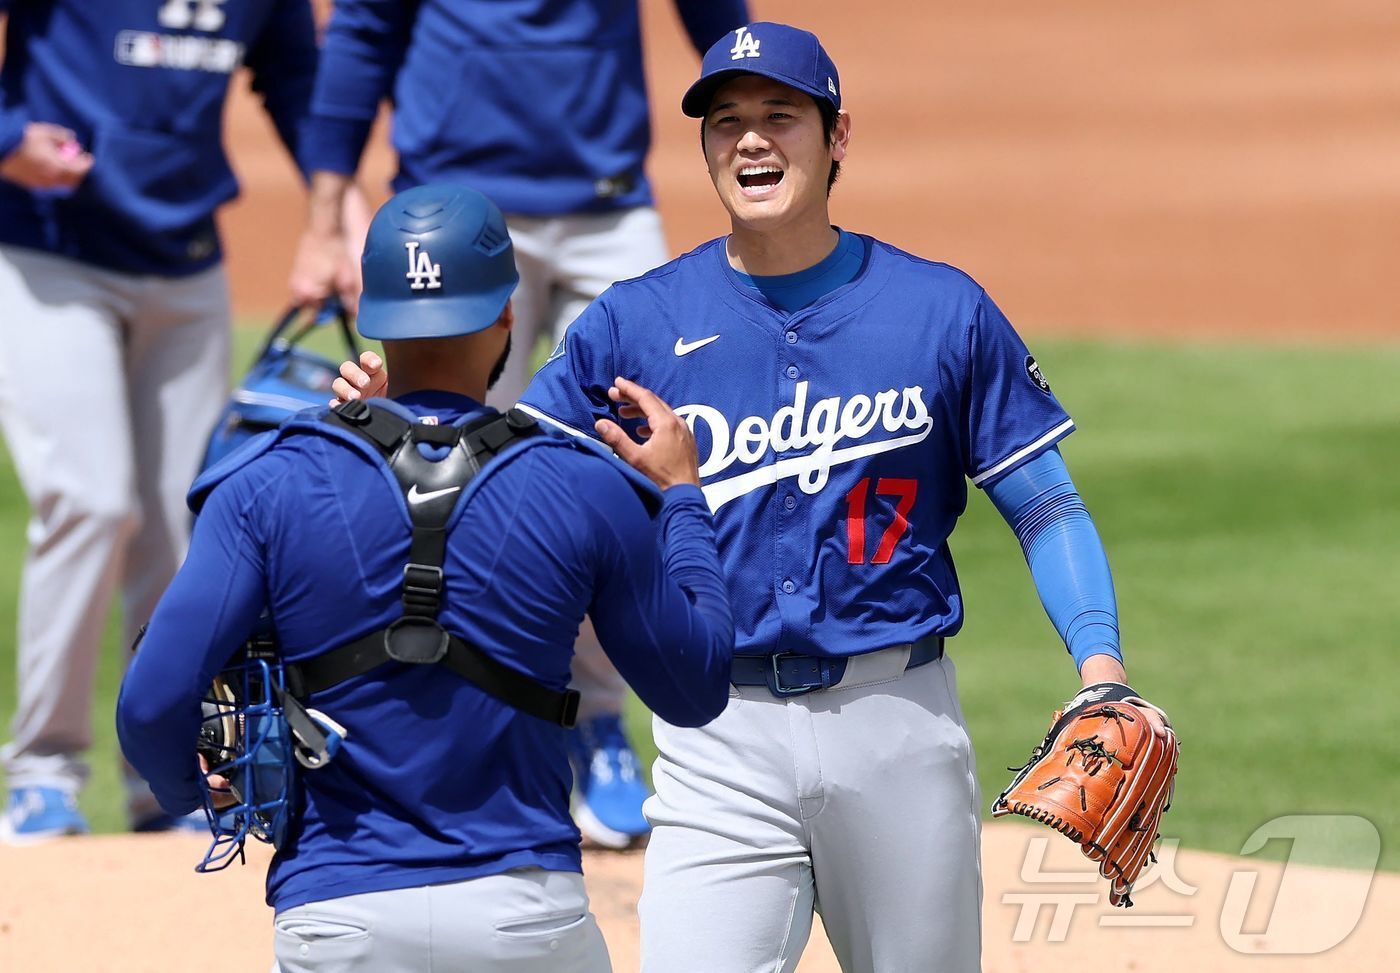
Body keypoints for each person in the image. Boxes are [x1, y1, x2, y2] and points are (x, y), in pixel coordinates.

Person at [337, 22, 1174, 972]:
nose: (750, 140)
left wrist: (1099, 665)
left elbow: (1046, 505)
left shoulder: (942, 310)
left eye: (780, 116)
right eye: (726, 121)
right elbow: (504, 485)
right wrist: (399, 419)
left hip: (897, 722)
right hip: (714, 734)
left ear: (837, 138)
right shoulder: (636, 320)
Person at [117, 183, 734, 972]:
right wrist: (682, 497)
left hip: (337, 920)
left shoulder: (269, 483)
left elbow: (148, 704)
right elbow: (695, 687)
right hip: (523, 917)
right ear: (508, 314)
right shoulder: (585, 485)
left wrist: (193, 796)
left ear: (374, 318)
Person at [289, 0, 750, 848]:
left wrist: (755, 132)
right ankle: (480, 724)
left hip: (606, 207)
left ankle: (601, 722)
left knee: (626, 460)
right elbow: (362, 31)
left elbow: (720, 19)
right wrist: (324, 221)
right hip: (451, 213)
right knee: (446, 478)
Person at [0, 0, 326, 839]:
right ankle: (43, 771)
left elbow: (293, 75)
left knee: (187, 523)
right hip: (48, 251)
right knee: (91, 501)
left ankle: (167, 778)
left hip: (185, 264)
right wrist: (6, 138)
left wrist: (339, 209)